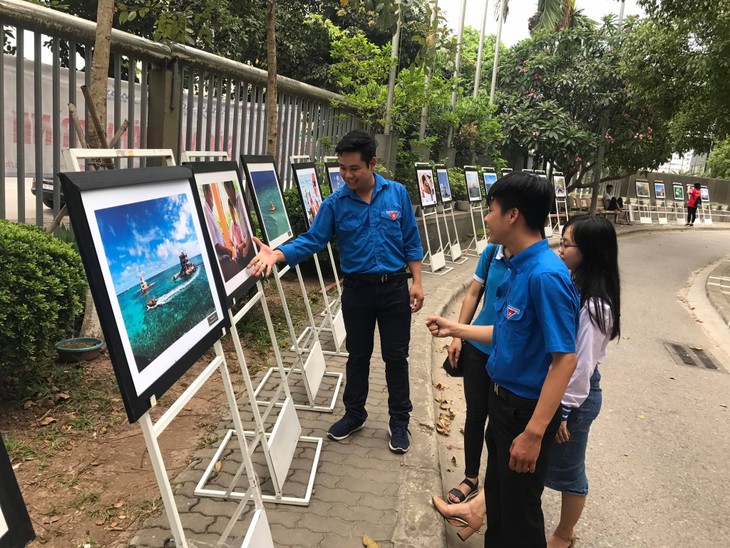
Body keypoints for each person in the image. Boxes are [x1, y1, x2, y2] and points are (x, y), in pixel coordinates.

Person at [431, 216, 621, 548]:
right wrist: (456, 330)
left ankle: (563, 535)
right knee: (512, 481)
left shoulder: (587, 302)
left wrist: (555, 417)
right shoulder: (563, 281)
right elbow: (515, 334)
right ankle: (477, 512)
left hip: (567, 399)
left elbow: (576, 366)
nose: (560, 250)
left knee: (559, 478)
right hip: (548, 397)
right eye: (560, 242)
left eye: (567, 244)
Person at [425, 172, 580, 547]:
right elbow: (510, 334)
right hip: (503, 404)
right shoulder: (516, 266)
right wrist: (455, 329)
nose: (486, 217)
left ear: (512, 215)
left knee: (519, 520)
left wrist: (534, 432)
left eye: (490, 209)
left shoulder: (545, 276)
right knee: (498, 502)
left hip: (523, 413)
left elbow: (566, 360)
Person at [248, 130, 424, 453]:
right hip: (357, 291)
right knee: (357, 356)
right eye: (342, 168)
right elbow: (312, 240)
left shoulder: (397, 194)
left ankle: (400, 422)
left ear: (372, 164)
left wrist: (418, 282)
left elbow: (411, 241)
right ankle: (354, 414)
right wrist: (276, 254)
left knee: (396, 358)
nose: (347, 175)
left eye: (354, 168)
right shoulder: (335, 203)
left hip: (395, 289)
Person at [443, 242, 510, 505]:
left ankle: (494, 487)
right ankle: (471, 477)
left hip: (505, 353)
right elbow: (473, 293)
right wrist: (459, 334)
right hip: (476, 348)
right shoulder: (493, 251)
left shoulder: (531, 261)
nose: (487, 218)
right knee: (475, 415)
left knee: (499, 423)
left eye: (493, 210)